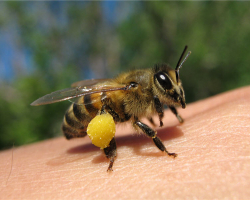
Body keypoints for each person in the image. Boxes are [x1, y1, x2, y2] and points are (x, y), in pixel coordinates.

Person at [0, 86, 249, 199]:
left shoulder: (148, 96)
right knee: (119, 115)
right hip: (87, 112)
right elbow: (143, 123)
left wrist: (174, 113)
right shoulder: (135, 90)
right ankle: (112, 155)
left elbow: (155, 107)